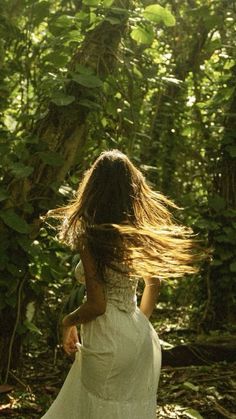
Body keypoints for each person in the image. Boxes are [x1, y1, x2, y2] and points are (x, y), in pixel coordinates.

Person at [41, 149, 202, 419]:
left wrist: (67, 322)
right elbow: (154, 282)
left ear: (93, 187)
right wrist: (138, 322)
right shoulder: (136, 233)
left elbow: (97, 305)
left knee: (99, 408)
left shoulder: (89, 236)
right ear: (131, 188)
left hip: (107, 336)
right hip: (138, 336)